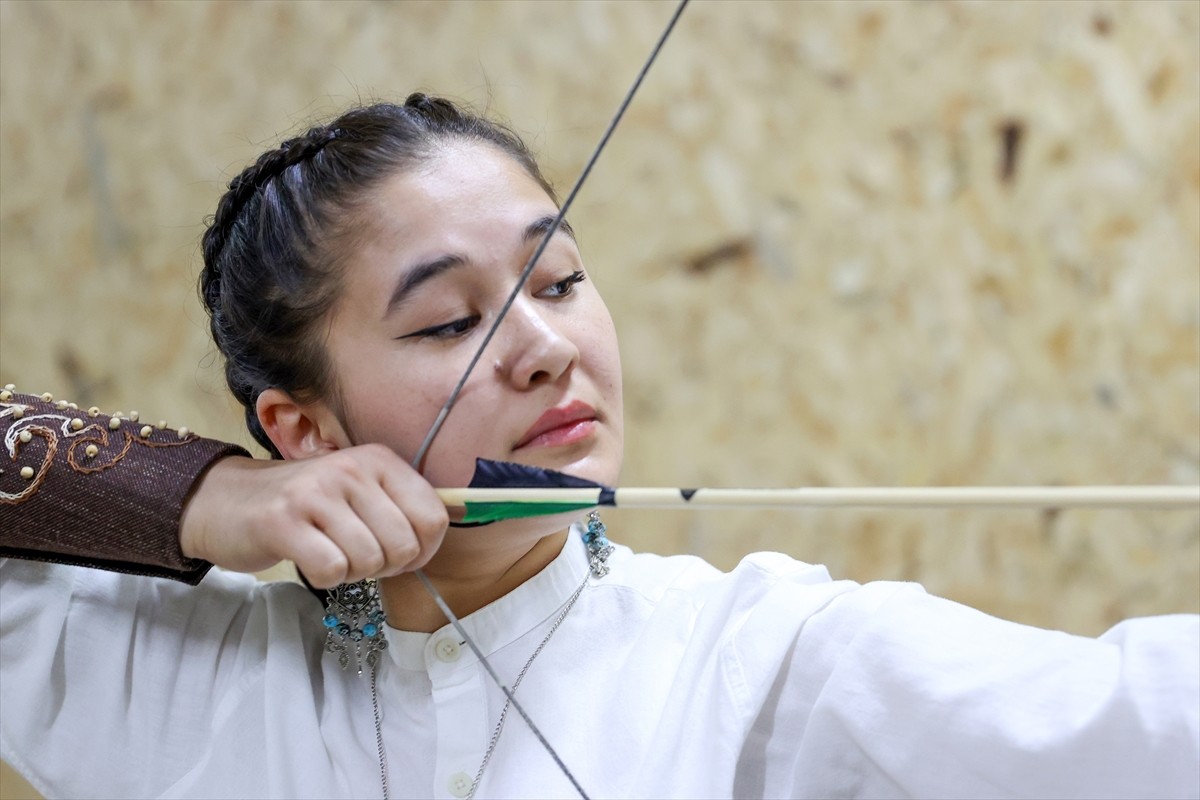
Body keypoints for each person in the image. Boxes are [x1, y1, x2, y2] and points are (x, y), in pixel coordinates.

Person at [1, 94, 1197, 800]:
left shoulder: (761, 659)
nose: (543, 347)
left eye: (561, 280)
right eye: (449, 320)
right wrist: (214, 500)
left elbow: (1131, 717)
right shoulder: (161, 670)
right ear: (301, 426)